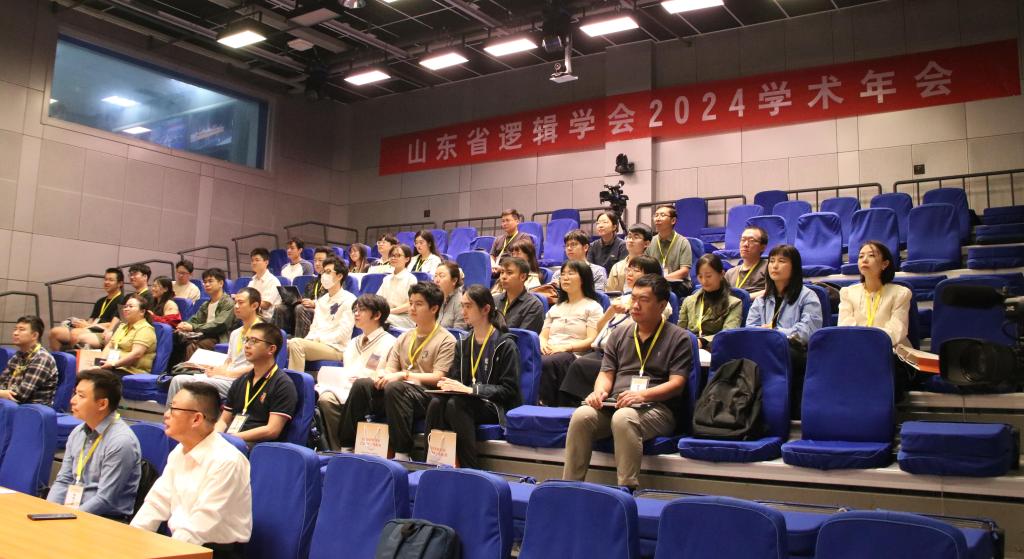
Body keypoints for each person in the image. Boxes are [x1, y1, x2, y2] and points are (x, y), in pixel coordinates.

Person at [562, 274, 690, 490]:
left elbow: (677, 384)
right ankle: (570, 486)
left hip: (657, 408)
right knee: (582, 415)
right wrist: (599, 392)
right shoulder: (619, 334)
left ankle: (626, 489)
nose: (635, 305)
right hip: (617, 403)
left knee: (624, 418)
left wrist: (642, 395)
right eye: (633, 299)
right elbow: (606, 374)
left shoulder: (679, 337)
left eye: (644, 300)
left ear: (661, 305)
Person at [336, 282, 457, 460]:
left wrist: (403, 375)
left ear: (434, 308)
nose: (412, 308)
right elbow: (390, 369)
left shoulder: (446, 340)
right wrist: (381, 376)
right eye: (411, 303)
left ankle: (402, 453)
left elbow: (439, 377)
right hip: (399, 392)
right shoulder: (404, 336)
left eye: (419, 304)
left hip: (427, 395)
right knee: (363, 385)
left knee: (395, 387)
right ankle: (346, 448)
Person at [132, 382, 252, 557]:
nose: (166, 414)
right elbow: (157, 502)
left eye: (173, 409)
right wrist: (132, 539)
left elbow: (201, 523)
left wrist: (168, 553)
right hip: (180, 543)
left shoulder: (227, 461)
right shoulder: (179, 451)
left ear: (196, 419)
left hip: (212, 551)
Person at [426, 285, 521, 469]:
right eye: (462, 306)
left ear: (485, 309)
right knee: (437, 402)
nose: (463, 311)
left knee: (456, 404)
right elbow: (456, 380)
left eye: (468, 306)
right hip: (466, 400)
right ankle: (431, 465)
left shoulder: (505, 344)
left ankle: (470, 469)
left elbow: (509, 390)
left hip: (494, 406)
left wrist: (472, 390)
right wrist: (447, 385)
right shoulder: (463, 343)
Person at [558, 256, 668, 404]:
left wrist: (632, 310)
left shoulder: (659, 303)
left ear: (650, 276)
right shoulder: (622, 299)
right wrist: (611, 311)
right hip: (603, 350)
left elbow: (657, 322)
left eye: (636, 270)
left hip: (627, 354)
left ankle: (583, 404)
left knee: (580, 364)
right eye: (628, 269)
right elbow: (599, 328)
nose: (629, 273)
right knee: (577, 364)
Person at [47, 369, 141, 519]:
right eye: (75, 393)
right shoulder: (78, 432)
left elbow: (105, 499)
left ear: (102, 404)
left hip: (106, 520)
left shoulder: (121, 441)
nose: (73, 400)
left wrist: (66, 518)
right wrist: (49, 511)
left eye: (81, 396)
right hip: (73, 514)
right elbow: (63, 480)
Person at [746, 244, 822, 416]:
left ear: (794, 267)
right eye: (772, 261)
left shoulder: (808, 296)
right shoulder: (761, 300)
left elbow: (806, 332)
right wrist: (768, 334)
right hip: (765, 350)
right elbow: (750, 329)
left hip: (796, 352)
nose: (774, 266)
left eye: (781, 261)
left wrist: (775, 332)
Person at [316, 294, 397, 451]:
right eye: (355, 310)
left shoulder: (390, 342)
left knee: (346, 396)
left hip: (371, 392)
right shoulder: (353, 342)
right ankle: (337, 449)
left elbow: (389, 373)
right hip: (344, 388)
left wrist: (368, 377)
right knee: (324, 397)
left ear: (377, 315)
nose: (356, 314)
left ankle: (346, 447)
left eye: (362, 310)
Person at [838, 241, 914, 396]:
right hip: (857, 353)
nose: (864, 260)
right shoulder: (847, 293)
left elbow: (897, 330)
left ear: (885, 264)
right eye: (861, 256)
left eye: (871, 255)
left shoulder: (901, 293)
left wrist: (870, 344)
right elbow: (845, 327)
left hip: (890, 353)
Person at [166, 288, 263, 404]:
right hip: (227, 377)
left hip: (244, 381)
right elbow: (229, 360)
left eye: (241, 303)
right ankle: (173, 414)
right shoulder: (235, 333)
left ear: (254, 305)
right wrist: (217, 370)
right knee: (177, 379)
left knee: (188, 383)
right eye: (235, 302)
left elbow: (257, 366)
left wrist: (227, 373)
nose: (236, 306)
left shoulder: (263, 332)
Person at [538, 260, 604, 406]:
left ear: (583, 279)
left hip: (574, 354)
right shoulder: (556, 307)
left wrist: (565, 347)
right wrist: (542, 344)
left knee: (547, 362)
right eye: (563, 274)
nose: (565, 278)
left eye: (571, 273)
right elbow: (543, 335)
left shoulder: (593, 307)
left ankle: (547, 405)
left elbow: (592, 340)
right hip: (551, 350)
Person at [216, 323, 297, 444]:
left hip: (258, 445)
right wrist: (216, 436)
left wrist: (232, 438)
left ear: (271, 349)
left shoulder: (283, 384)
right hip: (232, 440)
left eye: (253, 341)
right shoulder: (240, 381)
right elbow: (224, 420)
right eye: (246, 340)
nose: (247, 345)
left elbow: (272, 430)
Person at [287, 257, 357, 372]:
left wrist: (318, 339)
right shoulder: (322, 300)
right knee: (284, 344)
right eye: (324, 272)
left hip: (337, 348)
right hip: (318, 344)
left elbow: (343, 334)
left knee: (296, 344)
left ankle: (296, 382)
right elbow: (314, 327)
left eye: (328, 272)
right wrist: (309, 340)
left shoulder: (350, 299)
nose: (324, 275)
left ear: (339, 276)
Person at [49, 267, 124, 350]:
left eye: (111, 280)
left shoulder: (122, 301)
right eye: (105, 279)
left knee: (75, 333)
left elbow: (113, 324)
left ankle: (72, 358)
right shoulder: (101, 301)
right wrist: (82, 323)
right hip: (91, 327)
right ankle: (58, 357)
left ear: (120, 283)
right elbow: (91, 319)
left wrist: (89, 325)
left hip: (103, 331)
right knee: (54, 332)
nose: (106, 282)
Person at [172, 268, 235, 366]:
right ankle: (172, 371)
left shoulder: (228, 302)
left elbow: (220, 324)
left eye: (210, 281)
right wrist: (184, 325)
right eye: (205, 282)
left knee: (193, 346)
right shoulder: (206, 304)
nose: (207, 284)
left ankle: (188, 371)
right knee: (176, 339)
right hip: (203, 334)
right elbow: (195, 319)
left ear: (221, 283)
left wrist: (193, 327)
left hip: (219, 337)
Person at [679, 254, 743, 349]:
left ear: (721, 274)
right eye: (700, 276)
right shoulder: (688, 301)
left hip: (716, 349)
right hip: (690, 348)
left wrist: (703, 341)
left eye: (708, 276)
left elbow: (727, 335)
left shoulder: (734, 304)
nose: (704, 281)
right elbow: (680, 330)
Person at [0, 315, 59, 405]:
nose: (15, 333)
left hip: (31, 409)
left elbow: (20, 396)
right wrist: (2, 392)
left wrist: (2, 393)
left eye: (21, 330)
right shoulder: (18, 356)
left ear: (34, 335)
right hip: (11, 405)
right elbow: (2, 382)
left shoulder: (42, 358)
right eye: (15, 329)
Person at [101, 294, 157, 377]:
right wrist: (101, 362)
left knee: (96, 377)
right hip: (113, 367)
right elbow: (109, 346)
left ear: (142, 311)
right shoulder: (122, 326)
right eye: (125, 306)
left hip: (131, 372)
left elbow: (136, 354)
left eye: (130, 306)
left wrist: (113, 364)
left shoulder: (145, 329)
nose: (126, 309)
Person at [644, 204, 692, 292]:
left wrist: (662, 280)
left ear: (673, 220)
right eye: (656, 215)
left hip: (678, 284)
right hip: (655, 284)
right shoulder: (651, 242)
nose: (657, 219)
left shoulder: (683, 242)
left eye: (662, 215)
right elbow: (645, 266)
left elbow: (684, 271)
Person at [493, 257, 545, 333]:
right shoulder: (494, 300)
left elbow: (523, 337)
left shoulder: (534, 305)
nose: (503, 277)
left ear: (523, 277)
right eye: (502, 272)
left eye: (509, 273)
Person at [292, 246, 330, 338]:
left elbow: (333, 302)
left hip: (325, 313)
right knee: (281, 308)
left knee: (301, 309)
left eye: (320, 260)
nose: (317, 263)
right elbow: (305, 297)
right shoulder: (313, 281)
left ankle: (301, 342)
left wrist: (314, 304)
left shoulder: (334, 280)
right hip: (310, 310)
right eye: (315, 260)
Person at [377, 243, 418, 329]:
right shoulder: (387, 278)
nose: (393, 258)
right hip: (388, 314)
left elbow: (410, 304)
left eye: (398, 255)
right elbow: (378, 299)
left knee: (378, 318)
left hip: (405, 317)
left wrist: (389, 312)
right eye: (392, 255)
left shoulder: (411, 279)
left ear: (407, 259)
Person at [724, 225, 768, 298]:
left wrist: (745, 298)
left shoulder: (769, 267)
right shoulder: (730, 273)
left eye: (751, 241)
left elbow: (773, 291)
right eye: (743, 240)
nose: (745, 244)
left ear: (762, 247)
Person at [607, 224, 652, 293]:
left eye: (636, 237)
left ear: (646, 244)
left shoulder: (651, 265)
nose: (630, 240)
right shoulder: (617, 267)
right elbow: (610, 293)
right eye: (629, 236)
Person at [248, 248, 281, 322]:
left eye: (257, 260)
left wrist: (247, 302)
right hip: (254, 314)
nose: (254, 263)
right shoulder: (252, 281)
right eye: (252, 260)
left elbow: (266, 305)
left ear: (266, 262)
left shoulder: (272, 280)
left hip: (267, 318)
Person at [434, 260, 468, 330]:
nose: (436, 280)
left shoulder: (461, 302)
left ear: (454, 280)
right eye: (435, 276)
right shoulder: (434, 298)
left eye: (441, 276)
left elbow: (459, 333)